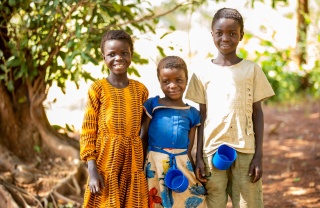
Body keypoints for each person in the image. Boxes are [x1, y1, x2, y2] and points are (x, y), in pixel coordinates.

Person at [185, 8, 275, 208]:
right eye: (220, 33)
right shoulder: (201, 72)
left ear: (241, 35)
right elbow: (201, 116)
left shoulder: (251, 69)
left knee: (247, 202)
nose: (225, 38)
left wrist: (258, 155)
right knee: (214, 201)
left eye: (232, 33)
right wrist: (198, 157)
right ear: (212, 35)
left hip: (245, 149)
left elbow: (257, 112)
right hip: (211, 149)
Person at [80, 29, 149, 208]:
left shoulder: (140, 90)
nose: (118, 58)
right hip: (106, 159)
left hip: (133, 160)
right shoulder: (97, 89)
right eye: (112, 54)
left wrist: (142, 163)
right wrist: (92, 169)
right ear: (104, 58)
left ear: (131, 55)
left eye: (124, 53)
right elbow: (88, 130)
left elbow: (144, 130)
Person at [140, 56, 206, 208]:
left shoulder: (193, 113)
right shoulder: (153, 105)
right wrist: (140, 164)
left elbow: (189, 147)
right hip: (154, 162)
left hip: (181, 162)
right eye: (166, 81)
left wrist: (194, 166)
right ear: (159, 81)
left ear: (186, 79)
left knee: (193, 198)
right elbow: (143, 136)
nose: (173, 85)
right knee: (156, 201)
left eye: (178, 80)